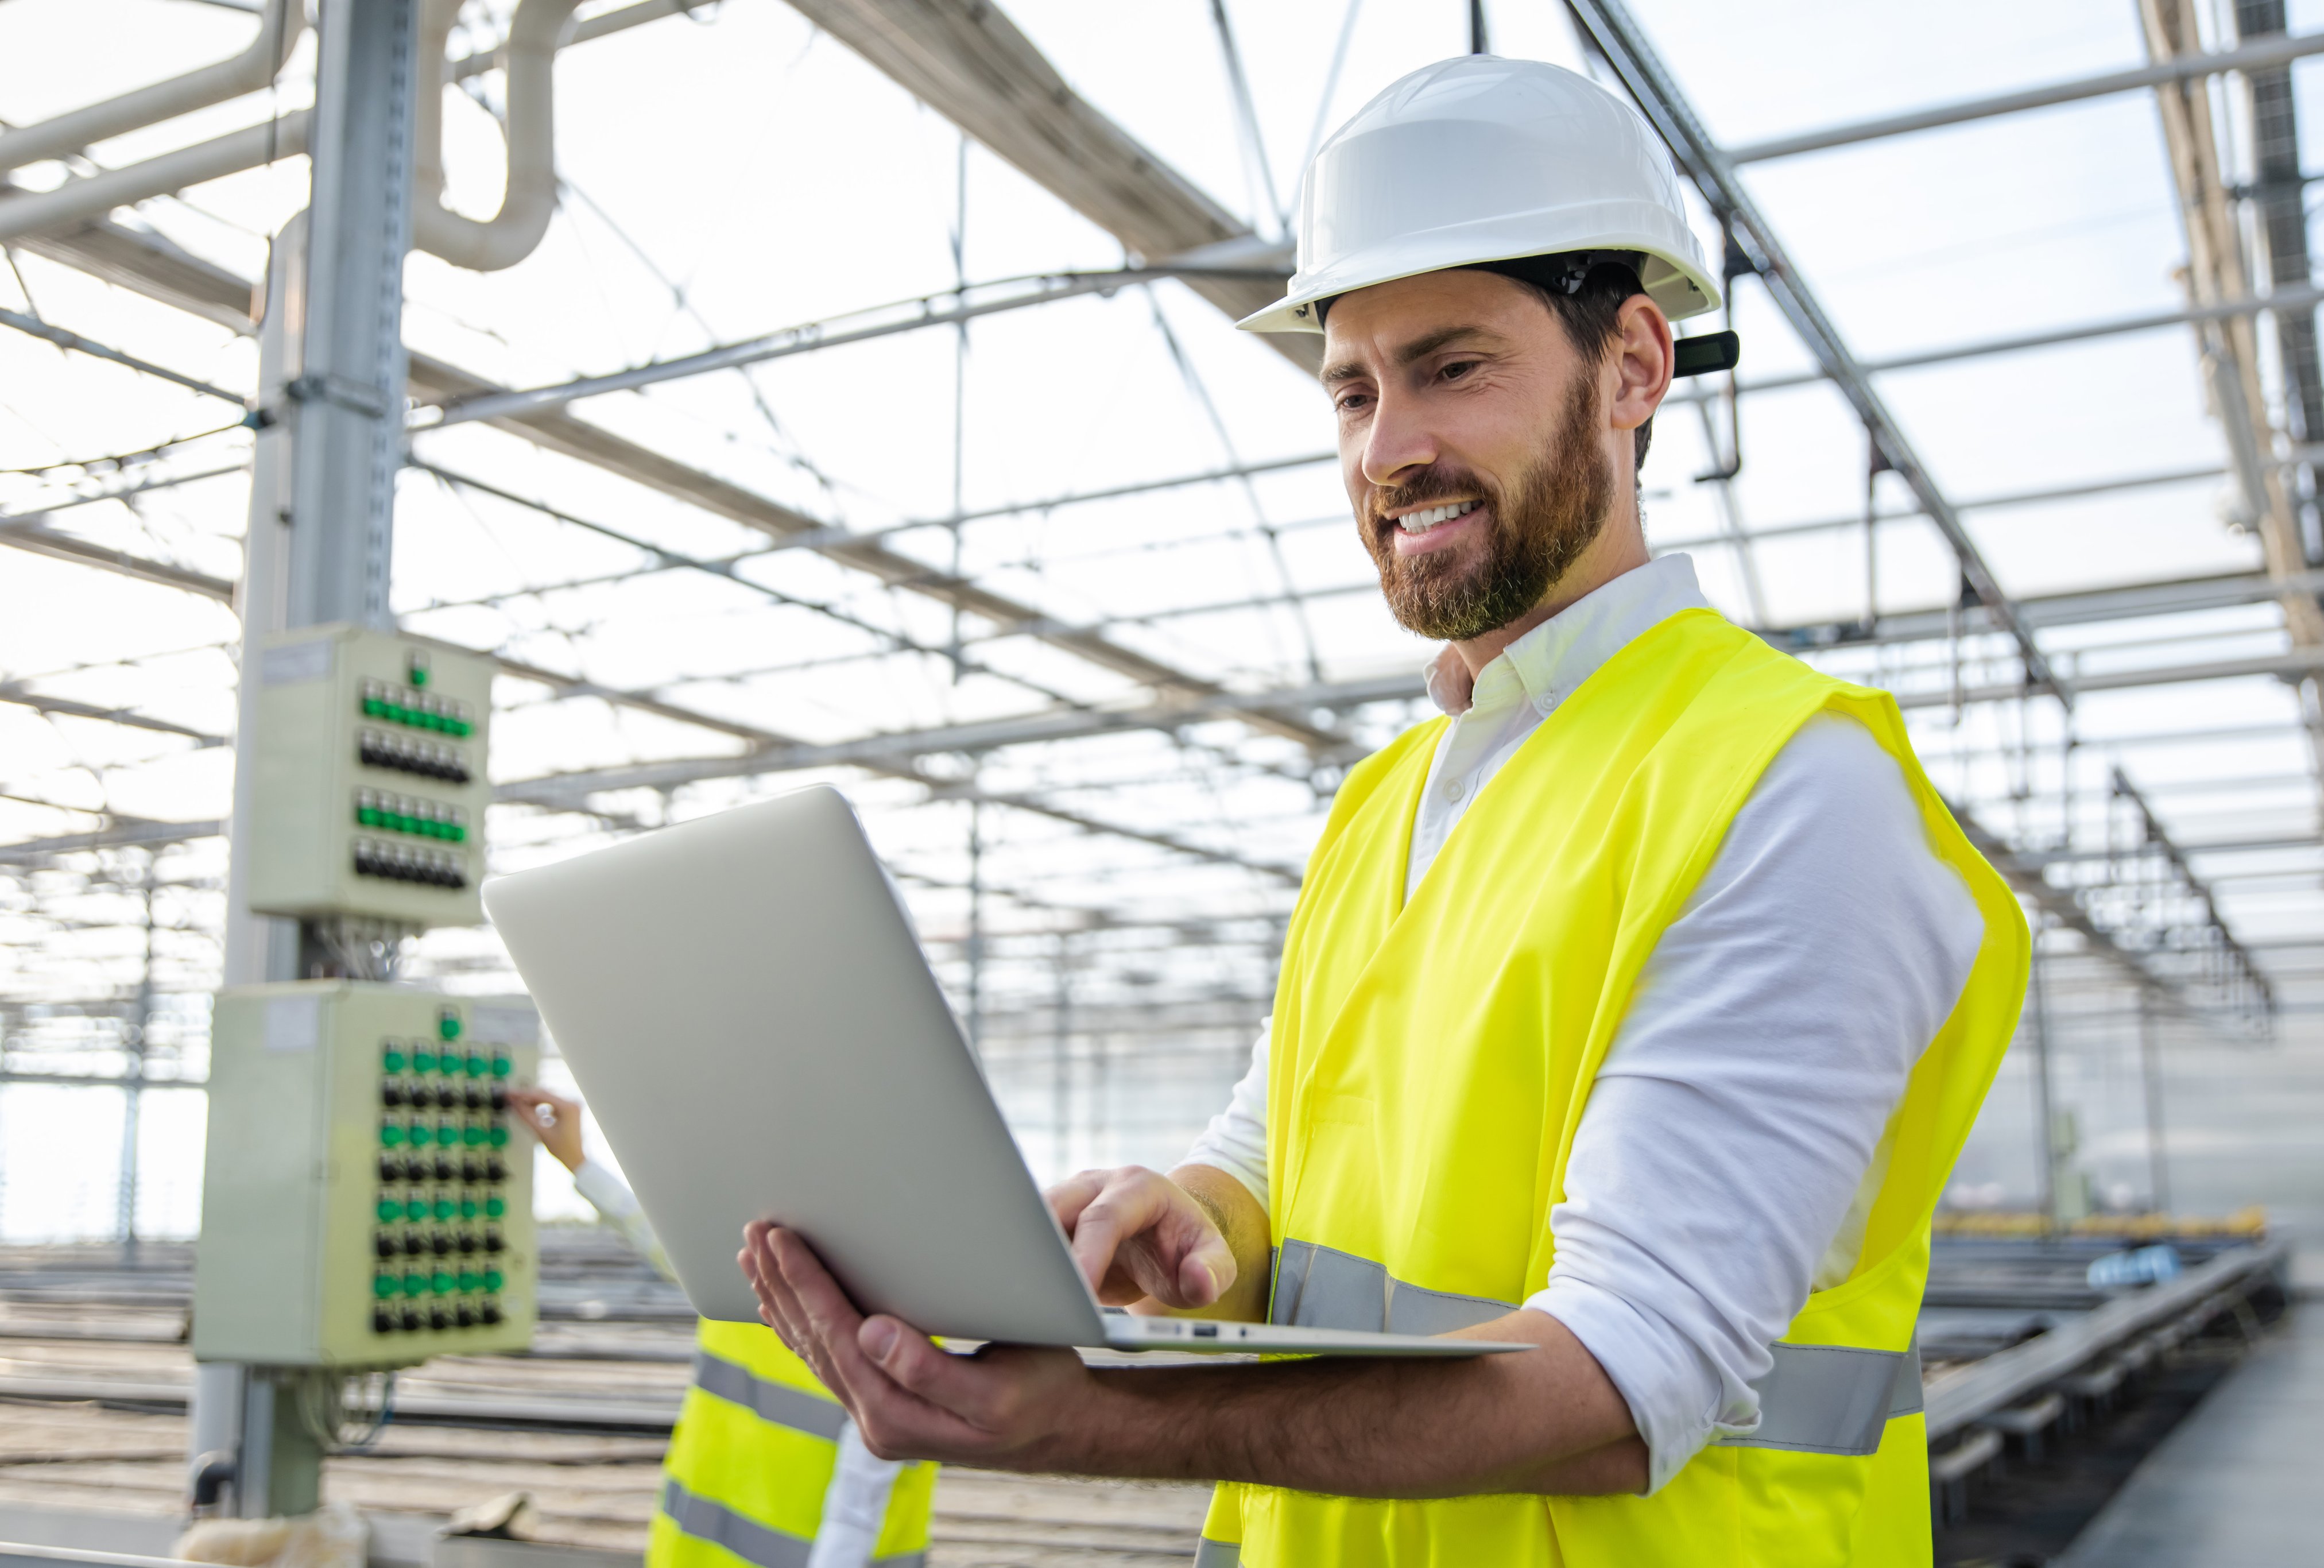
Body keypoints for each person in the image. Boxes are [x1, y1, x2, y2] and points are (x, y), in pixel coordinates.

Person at [735, 54, 2029, 1568]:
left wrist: (1091, 1420)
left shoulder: (1793, 791)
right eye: (1354, 386)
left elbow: (1627, 1372)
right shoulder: (1389, 799)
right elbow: (1288, 1139)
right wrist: (1202, 1214)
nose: (1384, 445)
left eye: (1452, 366)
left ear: (1632, 367)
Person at [505, 1087, 935, 1568]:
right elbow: (671, 1245)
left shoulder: (898, 1287)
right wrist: (580, 1164)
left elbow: (861, 1498)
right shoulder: (763, 1255)